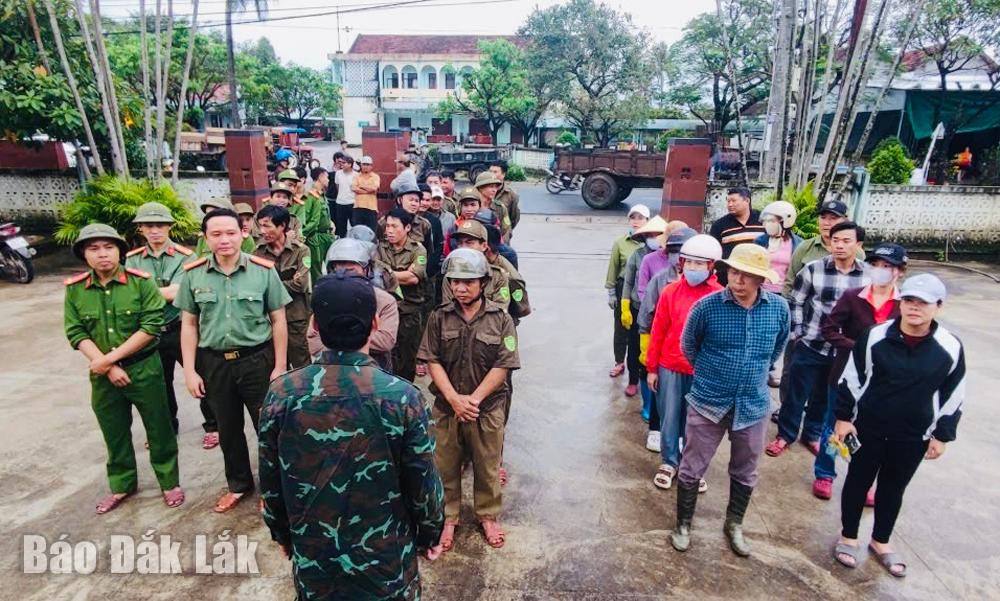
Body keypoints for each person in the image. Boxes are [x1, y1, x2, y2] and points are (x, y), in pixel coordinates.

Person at [259, 273, 444, 600]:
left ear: (314, 324)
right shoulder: (402, 397)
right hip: (386, 563)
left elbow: (271, 480)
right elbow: (423, 482)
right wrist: (430, 534)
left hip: (315, 558)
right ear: (374, 323)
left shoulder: (282, 393)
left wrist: (283, 535)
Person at [832, 273, 965, 577]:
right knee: (857, 482)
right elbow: (851, 380)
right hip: (868, 428)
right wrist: (843, 418)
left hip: (914, 434)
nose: (914, 308)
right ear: (900, 302)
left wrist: (942, 435)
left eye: (923, 303)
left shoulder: (949, 347)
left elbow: (953, 394)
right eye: (908, 300)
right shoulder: (875, 337)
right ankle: (848, 536)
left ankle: (881, 541)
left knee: (893, 488)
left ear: (939, 307)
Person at [670, 243, 790, 556]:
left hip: (753, 404)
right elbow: (688, 346)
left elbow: (777, 349)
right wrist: (712, 374)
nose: (737, 280)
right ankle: (683, 523)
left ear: (760, 279)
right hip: (708, 401)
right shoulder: (707, 307)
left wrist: (752, 371)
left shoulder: (778, 309)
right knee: (692, 467)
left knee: (746, 470)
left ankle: (734, 523)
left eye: (746, 275)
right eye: (734, 271)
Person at [175, 208, 291, 513]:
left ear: (243, 233)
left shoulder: (263, 271)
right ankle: (238, 484)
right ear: (205, 238)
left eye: (230, 232)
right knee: (227, 428)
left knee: (267, 426)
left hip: (257, 360)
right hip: (214, 363)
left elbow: (279, 320)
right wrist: (189, 371)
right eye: (216, 234)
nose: (224, 240)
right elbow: (189, 324)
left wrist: (279, 367)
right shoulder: (194, 274)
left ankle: (273, 488)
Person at [64, 223, 184, 514]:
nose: (102, 255)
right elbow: (76, 331)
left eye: (109, 247)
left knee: (159, 427)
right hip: (103, 375)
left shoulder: (141, 283)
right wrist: (105, 366)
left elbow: (151, 326)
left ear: (120, 250)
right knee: (114, 431)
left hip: (143, 368)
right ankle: (121, 484)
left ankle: (169, 482)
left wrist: (109, 359)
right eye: (94, 249)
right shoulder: (76, 290)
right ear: (84, 254)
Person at [418, 248, 520, 551]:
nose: (460, 289)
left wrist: (472, 400)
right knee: (445, 465)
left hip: (486, 409)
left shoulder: (501, 320)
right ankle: (448, 517)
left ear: (483, 283)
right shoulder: (438, 318)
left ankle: (488, 515)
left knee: (487, 465)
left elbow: (503, 365)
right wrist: (454, 399)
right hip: (448, 409)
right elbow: (432, 360)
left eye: (468, 282)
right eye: (454, 282)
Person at [812, 243, 907, 501]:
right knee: (833, 427)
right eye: (875, 265)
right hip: (845, 376)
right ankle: (824, 473)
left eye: (886, 266)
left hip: (884, 383)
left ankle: (863, 482)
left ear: (899, 271)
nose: (879, 271)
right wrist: (860, 348)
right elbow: (830, 330)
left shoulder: (904, 305)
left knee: (871, 434)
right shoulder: (853, 297)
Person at [767, 222, 868, 458]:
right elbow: (797, 301)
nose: (840, 245)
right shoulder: (814, 269)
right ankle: (785, 434)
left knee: (825, 396)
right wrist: (799, 333)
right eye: (836, 240)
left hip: (844, 351)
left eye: (846, 241)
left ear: (859, 245)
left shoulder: (867, 276)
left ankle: (812, 434)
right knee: (796, 391)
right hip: (811, 343)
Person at [126, 202, 219, 446]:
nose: (154, 230)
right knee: (159, 383)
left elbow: (178, 292)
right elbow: (128, 295)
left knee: (200, 376)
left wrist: (144, 295)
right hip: (150, 331)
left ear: (169, 227)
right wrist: (155, 294)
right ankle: (168, 426)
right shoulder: (132, 260)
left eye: (159, 225)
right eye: (148, 226)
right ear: (141, 229)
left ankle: (213, 425)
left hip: (180, 327)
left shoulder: (186, 257)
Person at [646, 234, 723, 492]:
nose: (692, 267)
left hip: (702, 370)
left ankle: (692, 466)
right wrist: (652, 368)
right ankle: (669, 462)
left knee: (698, 421)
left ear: (711, 266)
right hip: (670, 365)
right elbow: (658, 330)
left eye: (698, 264)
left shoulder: (720, 296)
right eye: (688, 262)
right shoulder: (670, 292)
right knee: (669, 417)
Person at [309, 238, 400, 372]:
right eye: (339, 269)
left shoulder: (384, 301)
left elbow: (386, 340)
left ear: (366, 270)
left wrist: (336, 337)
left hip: (374, 372)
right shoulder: (325, 298)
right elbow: (314, 342)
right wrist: (357, 335)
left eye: (351, 269)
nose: (345, 274)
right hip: (330, 372)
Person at [254, 205, 313, 369]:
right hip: (269, 317)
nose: (262, 231)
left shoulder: (301, 251)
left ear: (282, 226)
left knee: (301, 363)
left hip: (295, 316)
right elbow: (255, 287)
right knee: (275, 364)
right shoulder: (257, 253)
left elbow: (300, 284)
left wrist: (269, 286)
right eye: (260, 225)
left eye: (267, 225)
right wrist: (288, 283)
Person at [377, 208, 427, 382]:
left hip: (409, 312)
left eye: (394, 226)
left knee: (407, 360)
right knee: (385, 356)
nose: (389, 230)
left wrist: (387, 273)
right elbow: (376, 275)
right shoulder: (380, 247)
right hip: (384, 312)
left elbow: (414, 279)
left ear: (406, 228)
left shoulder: (418, 250)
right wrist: (403, 273)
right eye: (387, 226)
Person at [620, 216, 668, 400]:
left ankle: (653, 384)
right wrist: (625, 306)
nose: (655, 238)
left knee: (654, 350)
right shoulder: (638, 256)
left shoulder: (670, 257)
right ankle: (633, 381)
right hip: (638, 308)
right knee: (634, 347)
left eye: (659, 235)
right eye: (651, 235)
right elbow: (629, 282)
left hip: (662, 311)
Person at [605, 204, 650, 381]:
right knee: (621, 327)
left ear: (647, 220)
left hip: (644, 291)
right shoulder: (620, 243)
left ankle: (639, 363)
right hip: (623, 286)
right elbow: (613, 268)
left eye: (641, 218)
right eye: (633, 217)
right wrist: (611, 293)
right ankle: (619, 362)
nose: (636, 221)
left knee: (642, 328)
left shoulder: (653, 243)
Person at [443, 220, 511, 311]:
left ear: (483, 246)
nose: (463, 247)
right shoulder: (451, 274)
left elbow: (501, 309)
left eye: (469, 243)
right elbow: (448, 310)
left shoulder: (497, 276)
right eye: (460, 243)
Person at [708, 187, 765, 286]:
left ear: (747, 201)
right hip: (727, 279)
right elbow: (713, 253)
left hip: (756, 275)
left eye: (734, 201)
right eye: (728, 201)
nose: (730, 205)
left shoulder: (762, 221)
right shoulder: (720, 225)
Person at [754, 200, 802, 294]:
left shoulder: (798, 244)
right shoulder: (760, 241)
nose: (767, 224)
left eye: (772, 221)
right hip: (761, 291)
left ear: (785, 222)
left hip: (785, 292)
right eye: (766, 221)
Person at [305, 167, 335, 284]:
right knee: (316, 270)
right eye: (326, 177)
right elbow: (308, 219)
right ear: (320, 177)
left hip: (327, 235)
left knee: (333, 266)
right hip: (317, 237)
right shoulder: (310, 196)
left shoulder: (322, 195)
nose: (328, 180)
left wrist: (331, 223)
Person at [379, 182, 431, 247]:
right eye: (411, 200)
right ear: (399, 200)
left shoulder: (424, 224)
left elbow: (428, 252)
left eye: (416, 201)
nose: (414, 204)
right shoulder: (385, 222)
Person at [474, 172, 513, 242]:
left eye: (496, 187)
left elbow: (506, 230)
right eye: (491, 186)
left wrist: (500, 247)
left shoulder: (500, 207)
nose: (494, 190)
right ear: (480, 187)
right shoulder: (471, 206)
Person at [489, 160, 521, 234]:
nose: (491, 175)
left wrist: (506, 232)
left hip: (501, 237)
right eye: (490, 171)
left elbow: (514, 218)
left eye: (495, 172)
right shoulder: (481, 191)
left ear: (503, 174)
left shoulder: (511, 195)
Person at [351, 156, 380, 231]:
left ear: (371, 166)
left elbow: (374, 188)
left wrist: (360, 186)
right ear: (361, 165)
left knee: (372, 231)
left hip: (371, 208)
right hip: (358, 207)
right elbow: (353, 188)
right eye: (364, 164)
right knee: (357, 231)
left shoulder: (375, 177)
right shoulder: (356, 176)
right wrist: (368, 190)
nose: (366, 166)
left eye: (368, 164)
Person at [332, 156, 355, 238]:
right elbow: (337, 187)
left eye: (344, 163)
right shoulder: (338, 173)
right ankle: (342, 241)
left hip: (352, 203)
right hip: (340, 203)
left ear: (350, 164)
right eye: (341, 163)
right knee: (341, 225)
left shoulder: (356, 175)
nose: (342, 164)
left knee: (354, 224)